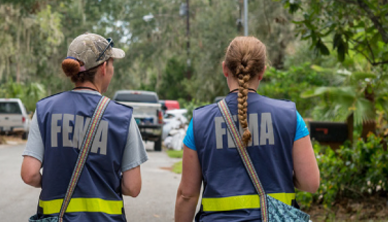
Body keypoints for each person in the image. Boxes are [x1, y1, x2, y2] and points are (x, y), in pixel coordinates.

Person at [174, 36, 320, 222]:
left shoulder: (200, 122)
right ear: (262, 72)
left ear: (225, 69)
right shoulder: (290, 116)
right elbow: (310, 183)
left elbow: (187, 195)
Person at [21, 33, 147, 222]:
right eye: (112, 64)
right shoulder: (123, 117)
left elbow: (29, 174)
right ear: (104, 68)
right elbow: (133, 187)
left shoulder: (44, 110)